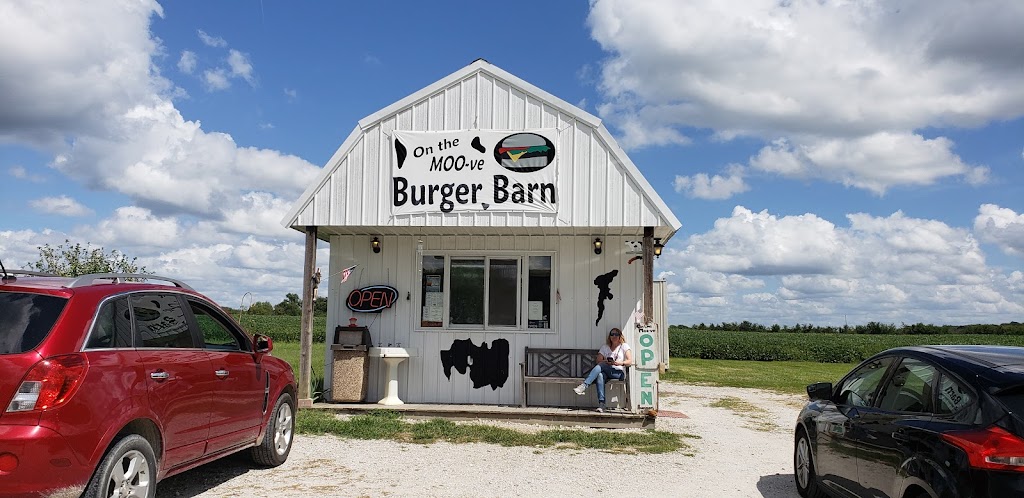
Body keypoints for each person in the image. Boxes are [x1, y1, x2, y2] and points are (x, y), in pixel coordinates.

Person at [573, 327, 632, 412]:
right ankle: (602, 404)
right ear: (609, 336)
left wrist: (619, 363)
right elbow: (598, 360)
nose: (614, 336)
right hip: (606, 370)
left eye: (616, 334)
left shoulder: (624, 346)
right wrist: (606, 362)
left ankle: (584, 385)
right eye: (612, 334)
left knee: (602, 365)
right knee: (600, 375)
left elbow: (629, 361)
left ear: (620, 336)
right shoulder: (605, 347)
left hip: (618, 373)